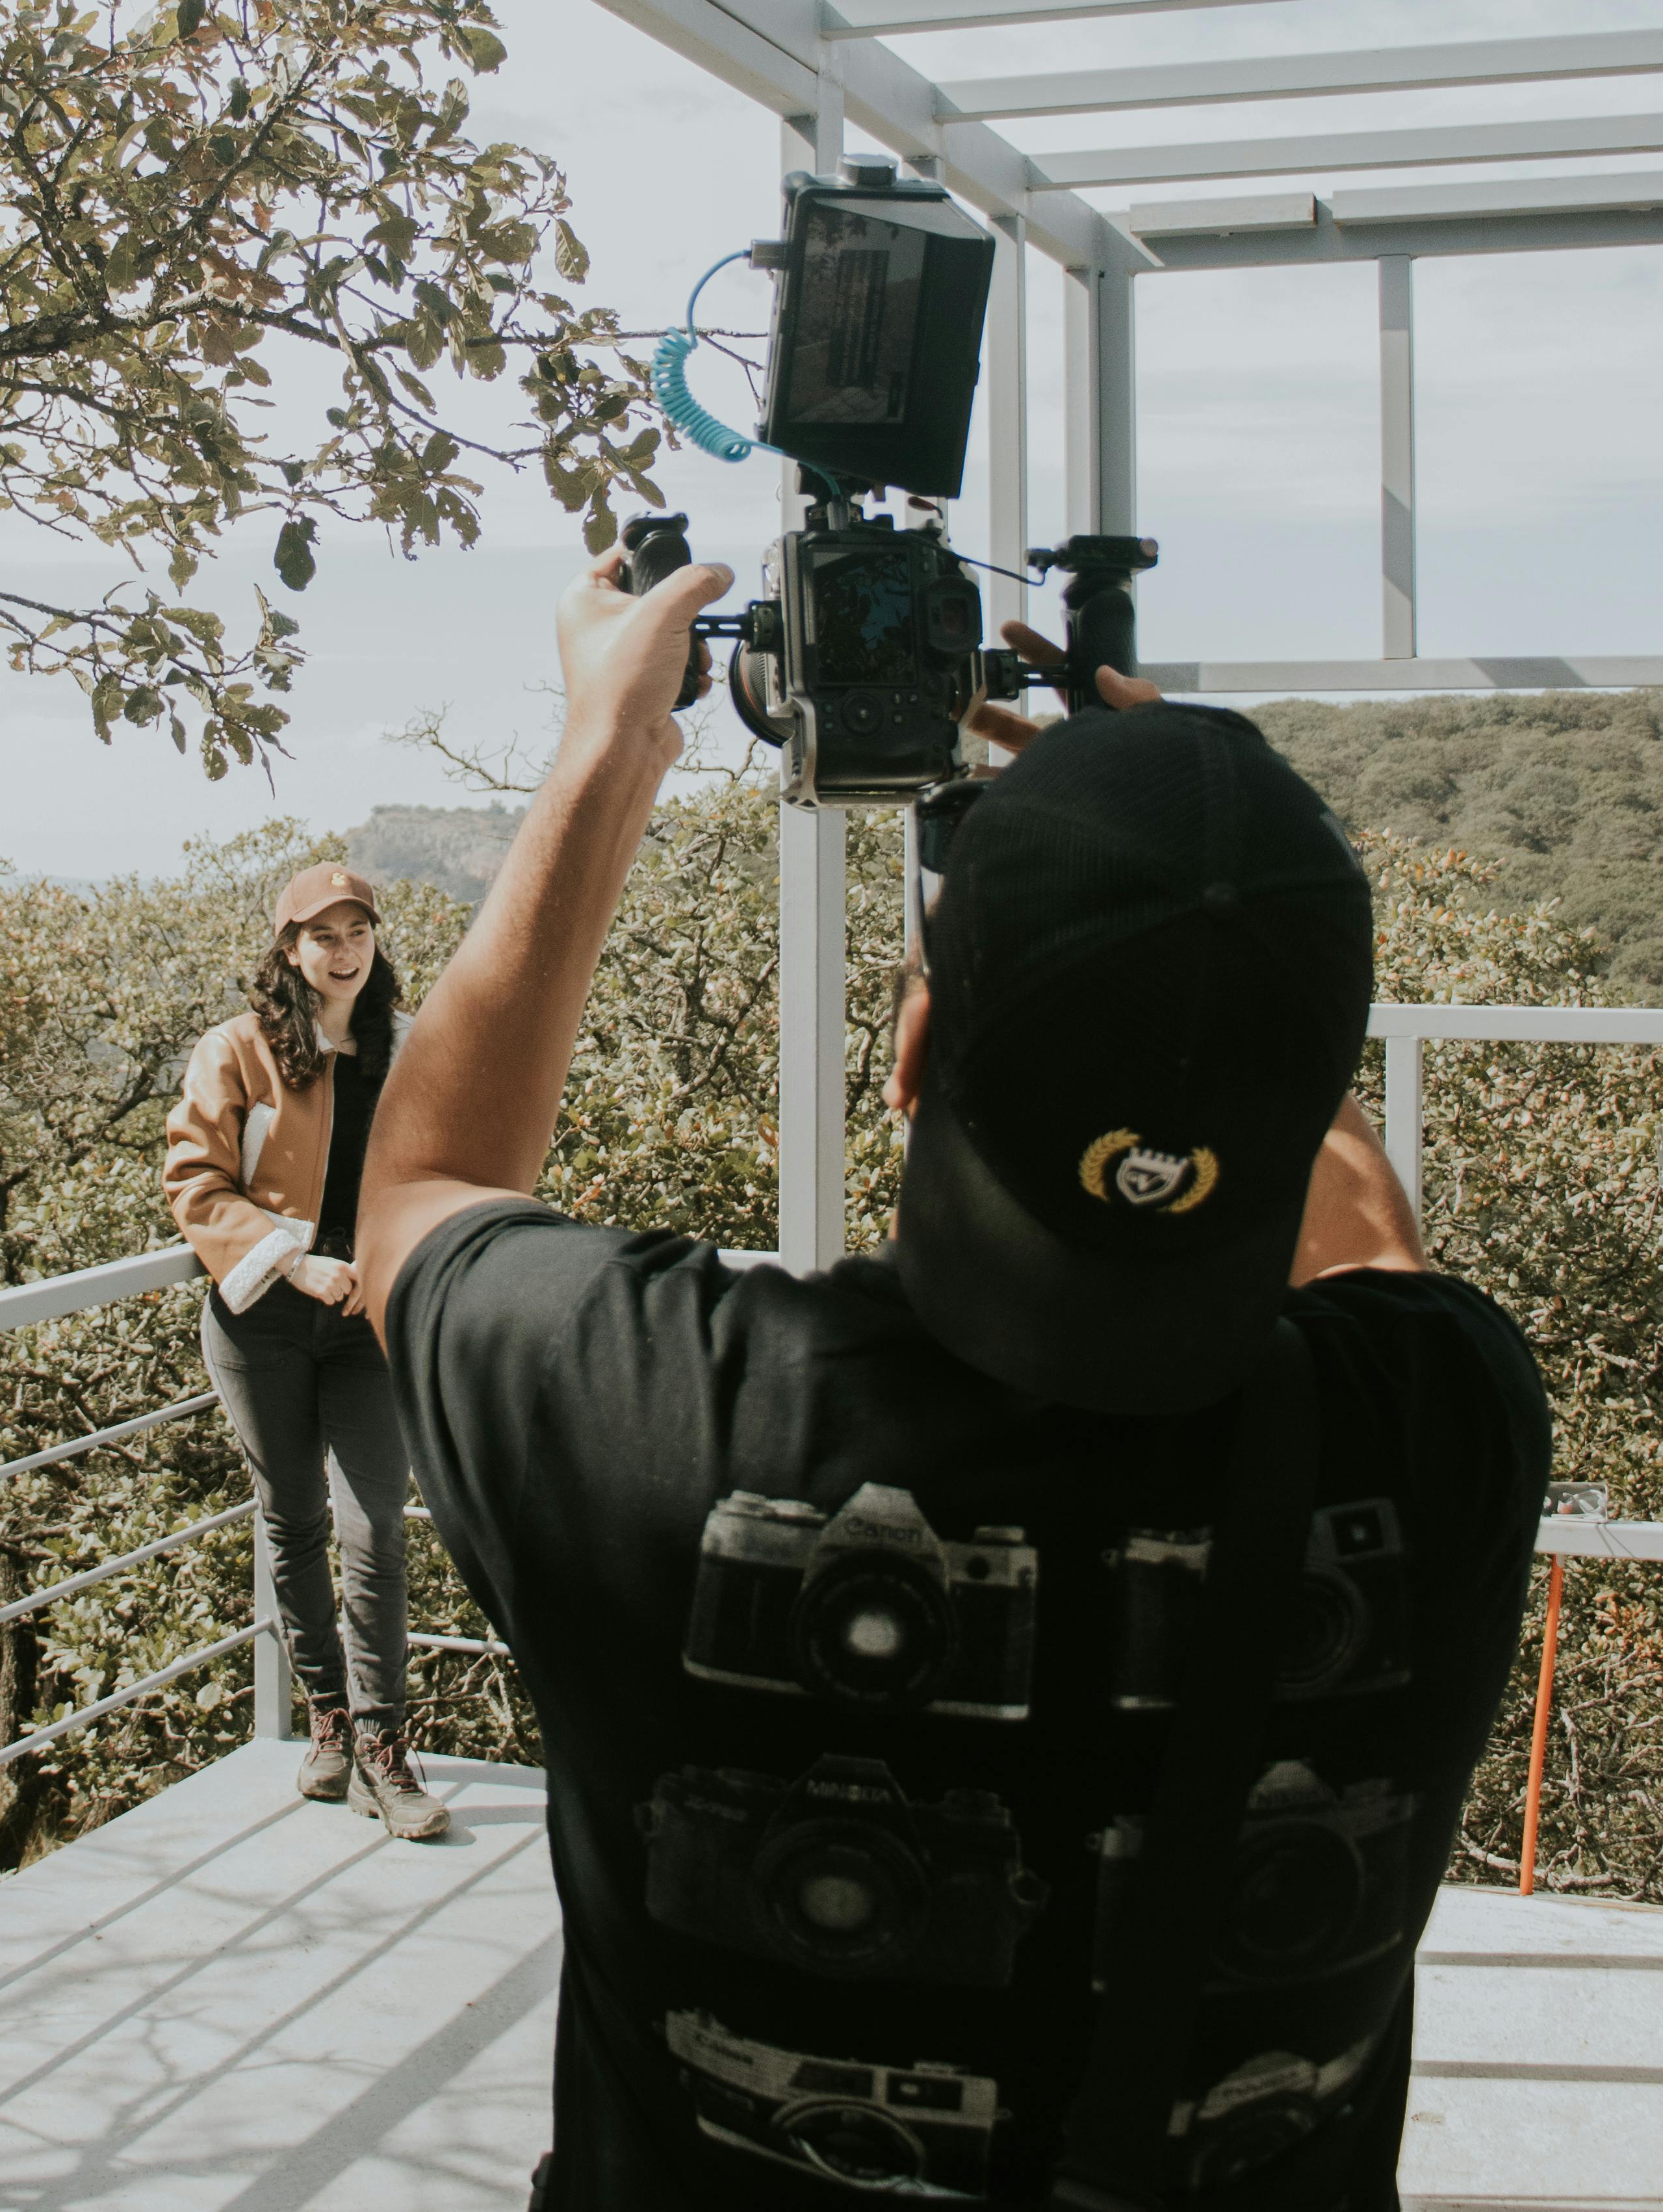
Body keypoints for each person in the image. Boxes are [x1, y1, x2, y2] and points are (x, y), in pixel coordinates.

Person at [355, 552, 1551, 2209]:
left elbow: (413, 1194)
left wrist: (612, 741)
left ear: (906, 1055)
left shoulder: (657, 1416)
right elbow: (1362, 1248)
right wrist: (1207, 849)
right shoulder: (1447, 1425)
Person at [164, 862, 448, 1841]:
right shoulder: (238, 1051)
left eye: (356, 930)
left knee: (375, 1526)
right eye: (320, 935)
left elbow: (439, 1179)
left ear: (376, 940)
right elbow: (195, 1184)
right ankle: (327, 1722)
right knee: (291, 1519)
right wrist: (295, 1263)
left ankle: (384, 1746)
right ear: (288, 950)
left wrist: (387, 1264)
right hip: (263, 1318)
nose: (341, 950)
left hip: (369, 1318)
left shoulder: (411, 1050)